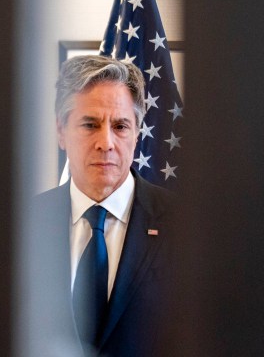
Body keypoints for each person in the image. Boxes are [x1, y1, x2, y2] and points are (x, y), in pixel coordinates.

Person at [29, 55, 175, 357]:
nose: (105, 142)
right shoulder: (24, 224)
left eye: (120, 126)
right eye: (90, 124)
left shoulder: (182, 224)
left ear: (137, 134)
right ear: (60, 131)